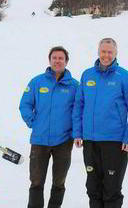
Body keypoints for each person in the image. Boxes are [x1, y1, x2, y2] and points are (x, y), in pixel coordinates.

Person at [72, 38, 128, 208]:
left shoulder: (125, 77)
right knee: (92, 188)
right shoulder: (87, 75)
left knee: (111, 189)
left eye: (110, 52)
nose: (106, 55)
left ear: (115, 54)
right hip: (90, 141)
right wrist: (77, 133)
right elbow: (78, 105)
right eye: (103, 51)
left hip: (115, 142)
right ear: (98, 52)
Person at [19, 46, 79, 208]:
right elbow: (25, 104)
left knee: (59, 181)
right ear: (49, 60)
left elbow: (79, 110)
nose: (57, 61)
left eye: (61, 58)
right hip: (40, 140)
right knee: (36, 181)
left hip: (64, 141)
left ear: (66, 62)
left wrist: (75, 132)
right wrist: (33, 122)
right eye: (54, 58)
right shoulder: (37, 82)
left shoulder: (74, 85)